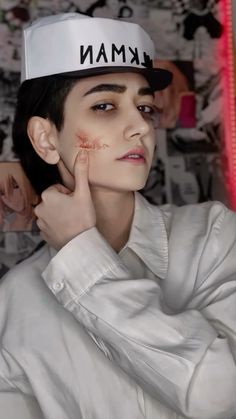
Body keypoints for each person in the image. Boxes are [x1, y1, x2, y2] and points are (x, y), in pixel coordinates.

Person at [0, 12, 236, 419]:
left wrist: (81, 258)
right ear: (46, 137)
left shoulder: (212, 236)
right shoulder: (16, 299)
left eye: (144, 106)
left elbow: (220, 393)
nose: (139, 127)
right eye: (105, 106)